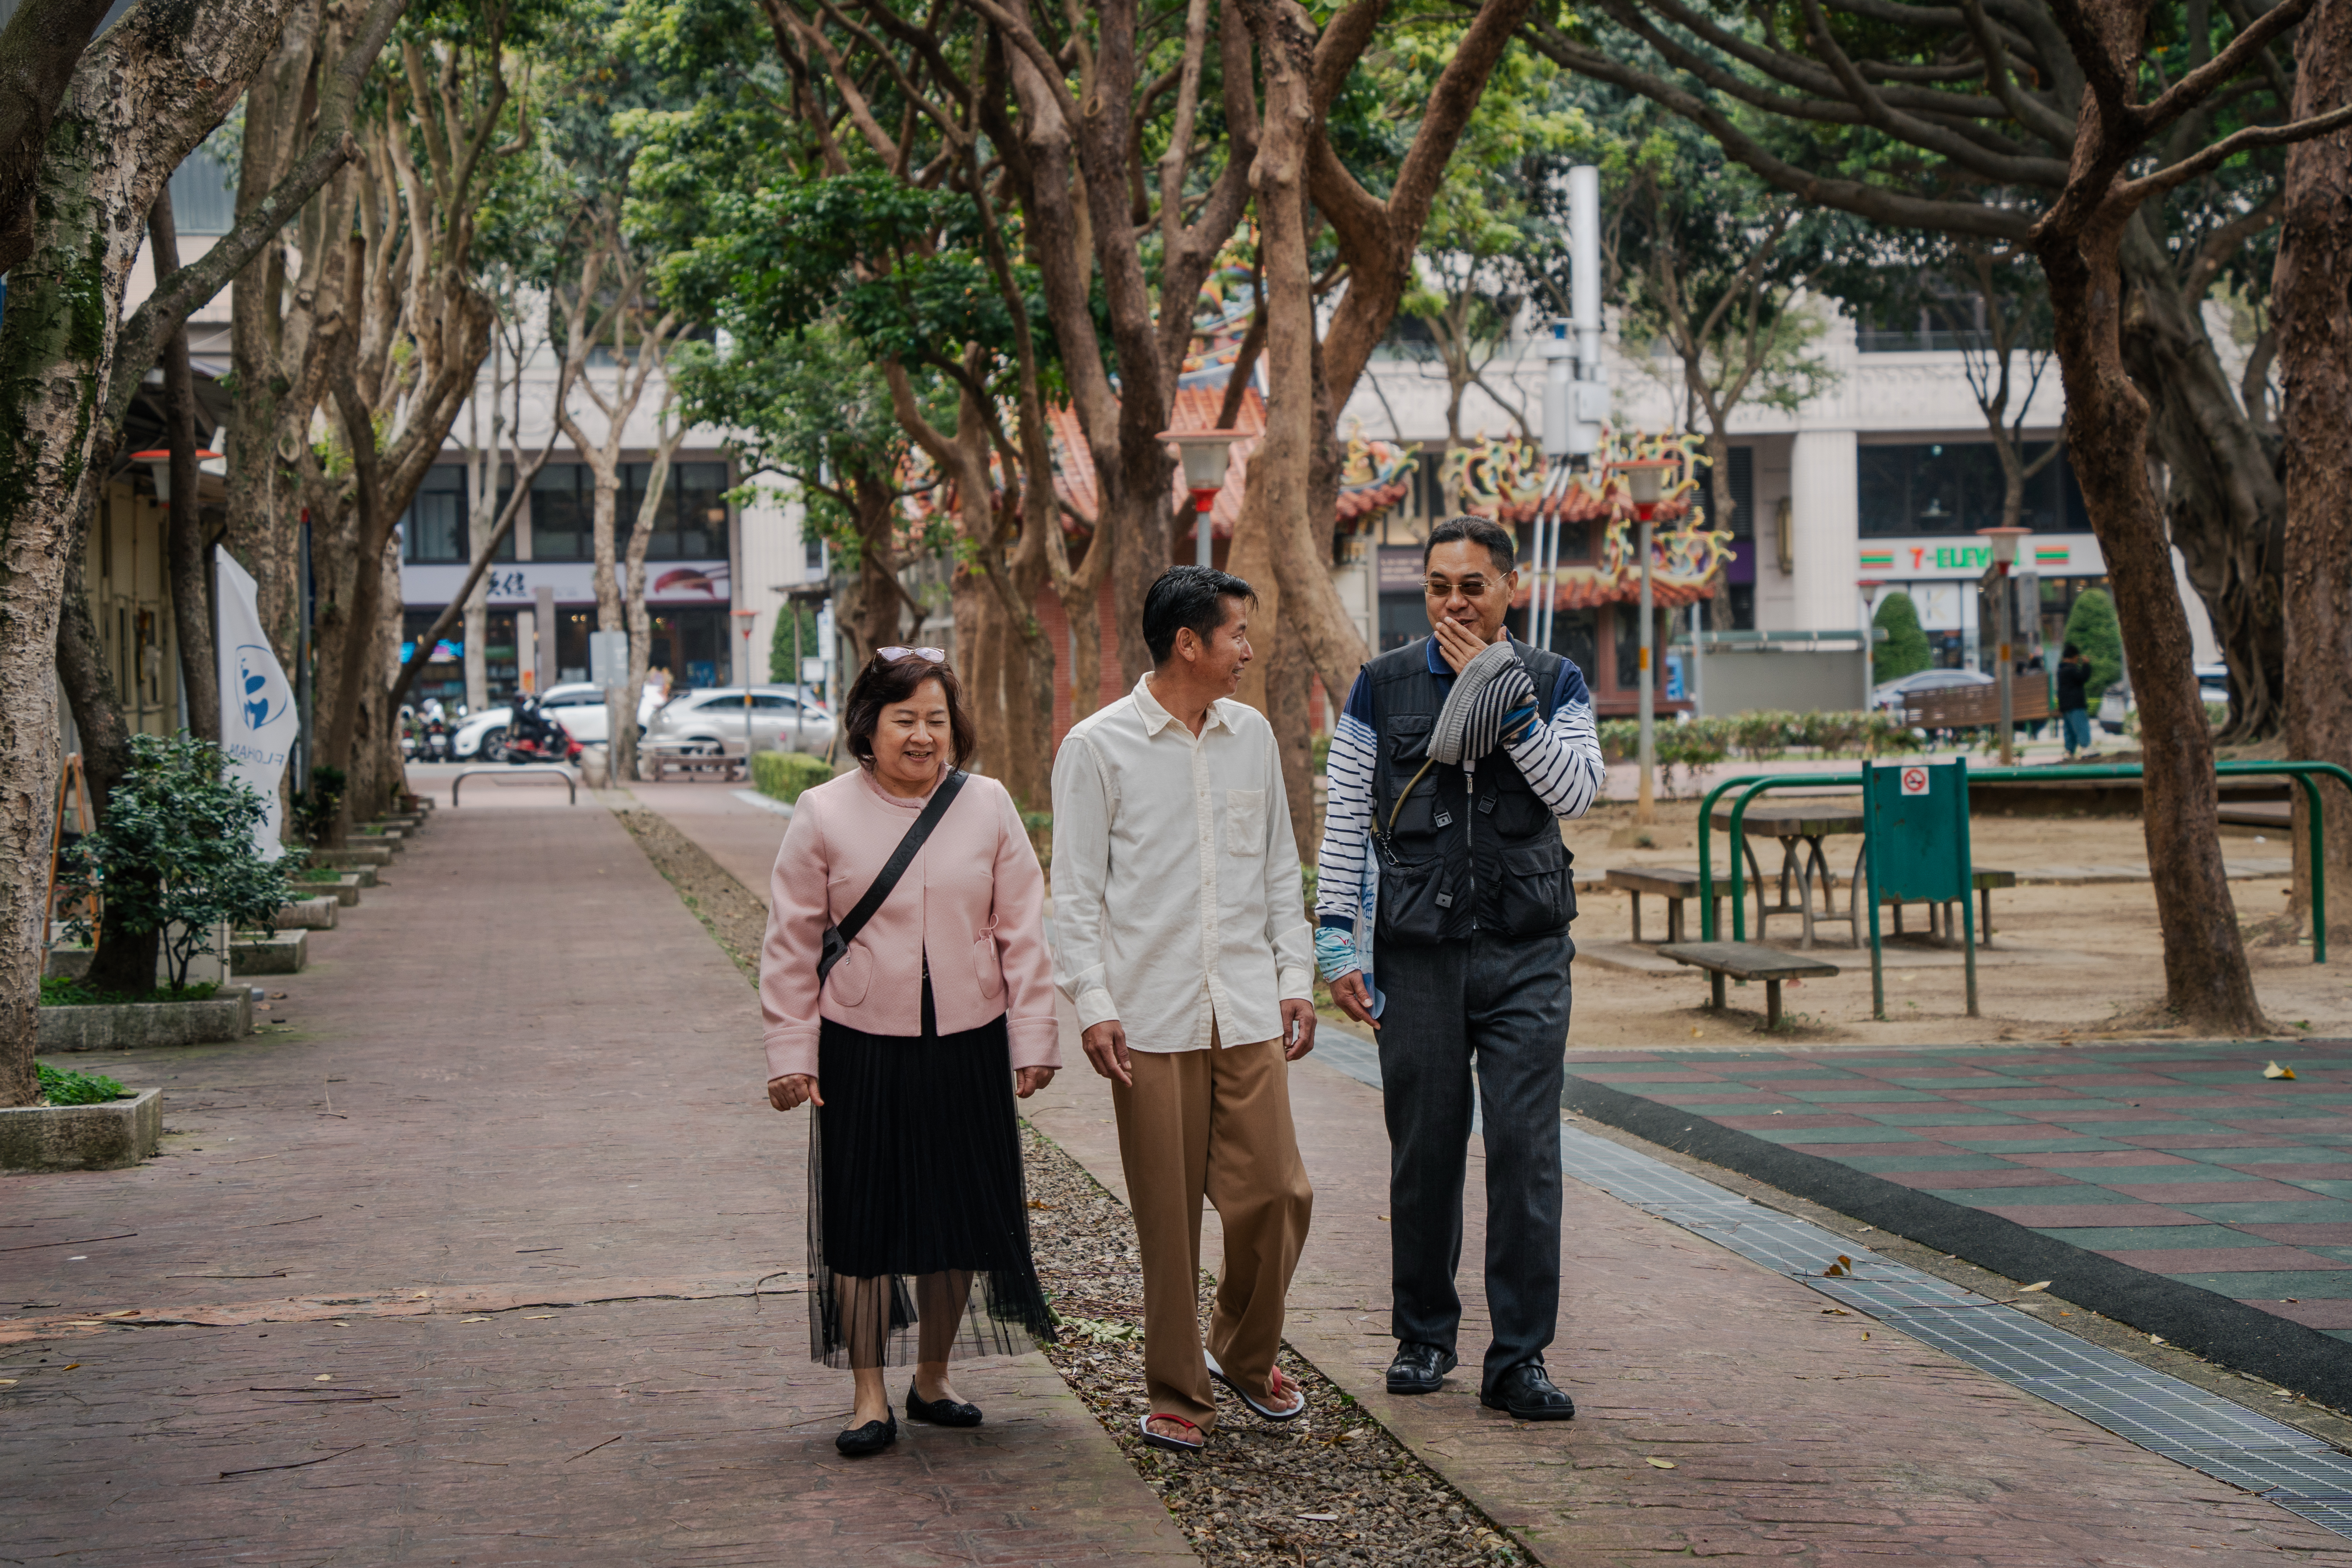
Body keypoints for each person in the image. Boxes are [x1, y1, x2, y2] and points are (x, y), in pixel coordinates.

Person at [1314, 514, 1606, 1422]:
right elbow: (1343, 822)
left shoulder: (1555, 680)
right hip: (1417, 954)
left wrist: (1505, 701)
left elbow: (1576, 793)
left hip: (1525, 953)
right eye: (1439, 586)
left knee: (1524, 1154)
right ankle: (1422, 1337)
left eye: (1472, 585)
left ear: (1507, 590)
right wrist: (1335, 941)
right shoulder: (1380, 686)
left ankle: (1519, 1360)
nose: (1453, 602)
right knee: (1425, 1151)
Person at [760, 648, 1060, 1458]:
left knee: (957, 1215)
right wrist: (793, 1052)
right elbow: (790, 943)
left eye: (936, 719)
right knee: (863, 1220)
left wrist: (1034, 1035)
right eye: (905, 720)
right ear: (868, 727)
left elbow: (1022, 931)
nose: (923, 736)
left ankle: (932, 1376)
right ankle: (868, 1395)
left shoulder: (988, 804)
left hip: (968, 1038)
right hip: (861, 1044)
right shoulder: (821, 813)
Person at [1050, 565, 1317, 1455]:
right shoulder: (1096, 747)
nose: (1248, 650)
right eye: (1236, 635)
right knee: (1166, 1221)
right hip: (1148, 1016)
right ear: (1187, 645)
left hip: (1244, 1007)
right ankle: (1176, 1389)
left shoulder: (1252, 738)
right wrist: (1091, 1001)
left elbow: (1280, 868)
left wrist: (1295, 977)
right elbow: (1075, 893)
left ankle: (1244, 1353)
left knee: (1278, 1195)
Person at [2057, 641, 2093, 758]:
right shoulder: (2072, 670)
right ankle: (2086, 747)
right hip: (2076, 704)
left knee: (2069, 730)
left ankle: (2069, 751)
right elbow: (2083, 677)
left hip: (2065, 705)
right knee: (2081, 726)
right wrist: (2086, 665)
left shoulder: (2061, 671)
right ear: (2075, 657)